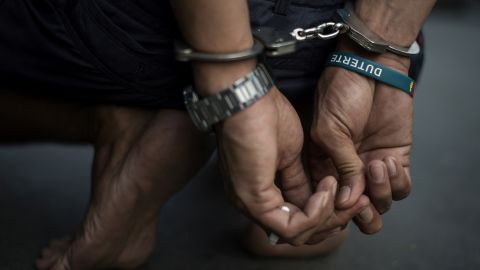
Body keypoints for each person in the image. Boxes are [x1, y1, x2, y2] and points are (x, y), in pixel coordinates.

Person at [0, 0, 435, 269]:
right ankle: (306, 141)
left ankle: (142, 118)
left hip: (142, 37)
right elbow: (381, 36)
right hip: (345, 39)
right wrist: (375, 57)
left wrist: (231, 80)